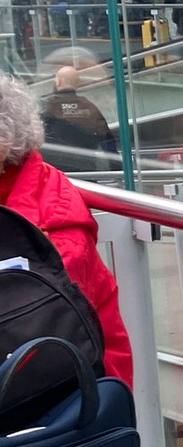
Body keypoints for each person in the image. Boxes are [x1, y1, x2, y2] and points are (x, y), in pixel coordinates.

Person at [0, 75, 132, 388]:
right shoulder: (35, 188)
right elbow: (105, 138)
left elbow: (30, 326)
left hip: (63, 404)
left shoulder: (52, 225)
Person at [40, 67, 116, 170]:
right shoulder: (89, 106)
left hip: (57, 172)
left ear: (58, 81)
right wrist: (116, 167)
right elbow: (107, 139)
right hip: (86, 169)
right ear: (77, 83)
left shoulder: (46, 106)